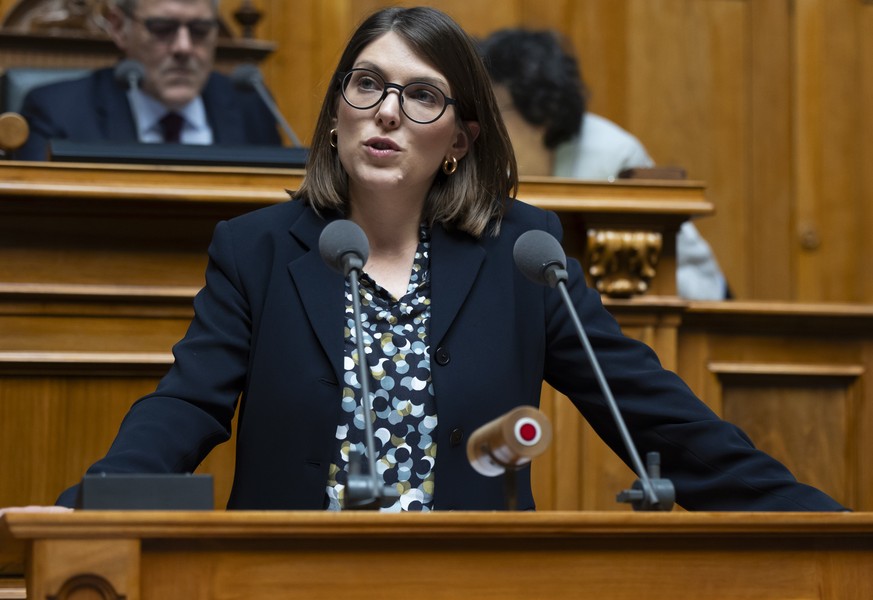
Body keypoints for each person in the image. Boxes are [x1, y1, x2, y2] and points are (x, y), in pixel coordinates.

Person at [49, 6, 842, 512]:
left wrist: (817, 523)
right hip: (286, 578)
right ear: (334, 119)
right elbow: (185, 407)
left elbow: (650, 408)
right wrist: (89, 505)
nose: (386, 111)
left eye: (421, 95)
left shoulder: (519, 254)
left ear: (460, 140)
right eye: (366, 86)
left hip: (473, 579)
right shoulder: (257, 248)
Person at [479, 28, 729, 301]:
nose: (486, 125)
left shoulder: (613, 153)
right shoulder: (487, 165)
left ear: (541, 110)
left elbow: (697, 283)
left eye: (496, 111)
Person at [14, 0, 281, 160]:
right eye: (162, 29)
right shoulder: (57, 111)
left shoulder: (252, 106)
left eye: (200, 31)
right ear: (119, 27)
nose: (183, 47)